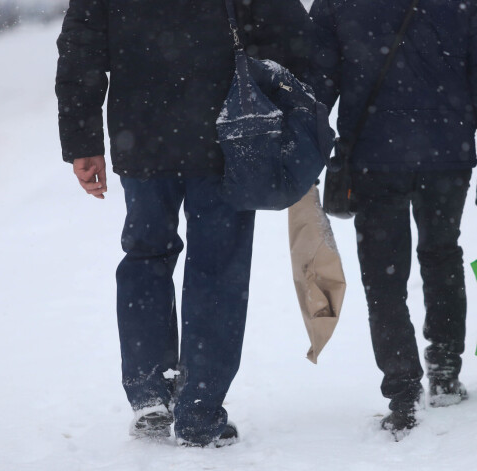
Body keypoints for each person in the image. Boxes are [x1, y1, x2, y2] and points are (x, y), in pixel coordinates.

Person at [56, 0, 315, 447]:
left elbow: (82, 48)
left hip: (141, 136)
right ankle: (200, 410)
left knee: (145, 256)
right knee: (219, 268)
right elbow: (289, 36)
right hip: (228, 134)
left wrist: (83, 140)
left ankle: (150, 391)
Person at [309, 0, 477, 435]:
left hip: (373, 155)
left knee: (383, 278)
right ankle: (444, 369)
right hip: (447, 152)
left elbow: (316, 78)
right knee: (441, 253)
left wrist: (301, 146)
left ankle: (403, 390)